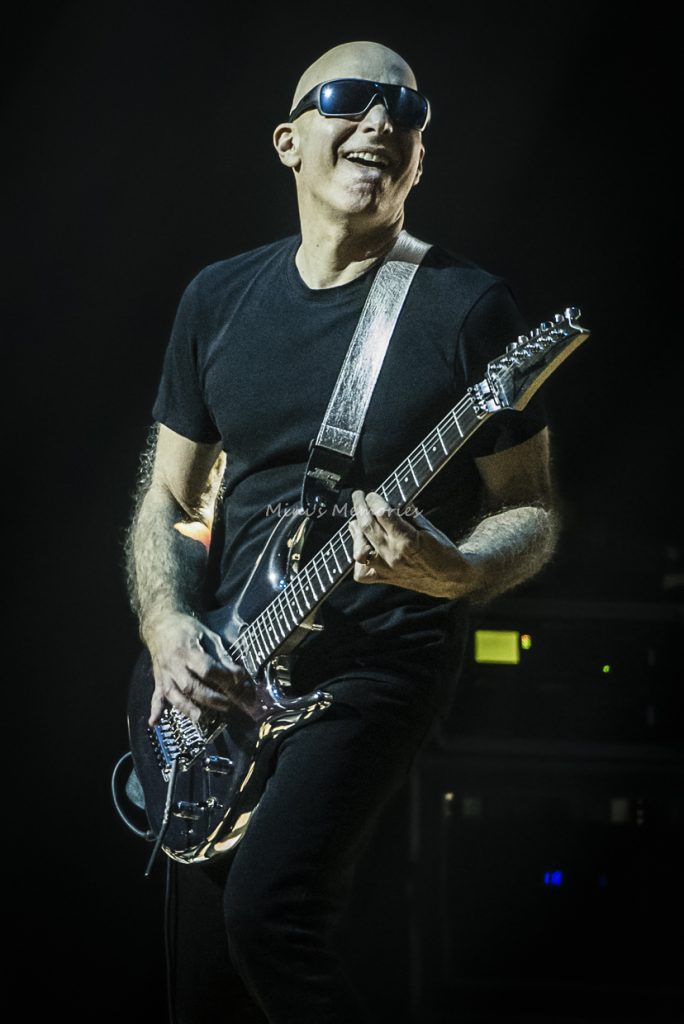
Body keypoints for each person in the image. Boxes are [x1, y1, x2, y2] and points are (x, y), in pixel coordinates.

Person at [125, 39, 558, 1024]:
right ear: (289, 140)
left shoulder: (468, 308)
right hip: (228, 674)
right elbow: (169, 500)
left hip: (374, 664)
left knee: (269, 916)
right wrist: (166, 627)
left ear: (419, 160)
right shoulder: (217, 299)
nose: (381, 120)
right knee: (203, 983)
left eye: (406, 110)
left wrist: (453, 570)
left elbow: (530, 511)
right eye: (350, 98)